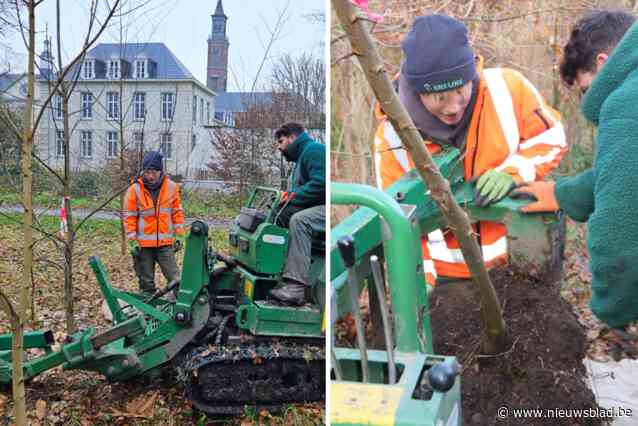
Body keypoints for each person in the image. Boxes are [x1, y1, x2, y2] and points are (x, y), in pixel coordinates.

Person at [373, 14, 568, 286]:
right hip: (446, 279)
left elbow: (553, 138)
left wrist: (514, 172)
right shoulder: (393, 135)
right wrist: (423, 282)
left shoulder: (508, 89)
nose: (453, 107)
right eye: (439, 98)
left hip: (516, 265)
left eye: (460, 91)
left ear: (471, 75)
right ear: (418, 93)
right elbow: (400, 216)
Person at [514, 11, 638, 328]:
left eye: (584, 90)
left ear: (602, 61)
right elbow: (623, 175)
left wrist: (612, 306)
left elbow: (618, 229)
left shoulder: (626, 102)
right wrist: (562, 193)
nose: (587, 101)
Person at [268, 122, 326, 305]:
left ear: (293, 138)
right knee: (278, 215)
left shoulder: (313, 151)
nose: (279, 147)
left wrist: (293, 197)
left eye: (281, 141)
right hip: (318, 206)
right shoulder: (301, 159)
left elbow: (322, 183)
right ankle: (278, 274)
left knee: (300, 221)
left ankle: (295, 287)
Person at [124, 151, 185, 296]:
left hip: (165, 244)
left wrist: (180, 234)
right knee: (146, 283)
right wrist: (132, 239)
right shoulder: (135, 189)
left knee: (176, 279)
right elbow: (130, 216)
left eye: (153, 172)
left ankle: (181, 308)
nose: (150, 176)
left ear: (160, 171)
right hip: (143, 246)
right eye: (147, 172)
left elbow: (177, 212)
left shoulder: (172, 187)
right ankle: (148, 312)